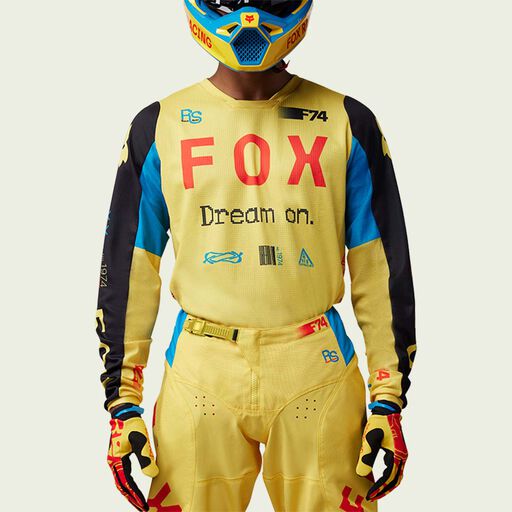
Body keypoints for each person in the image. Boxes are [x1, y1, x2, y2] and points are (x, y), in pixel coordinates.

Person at [95, 1, 416, 511]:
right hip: (202, 371)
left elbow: (379, 263)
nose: (248, 14)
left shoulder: (348, 122)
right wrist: (122, 400)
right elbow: (131, 265)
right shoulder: (158, 126)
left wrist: (389, 394)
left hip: (315, 368)